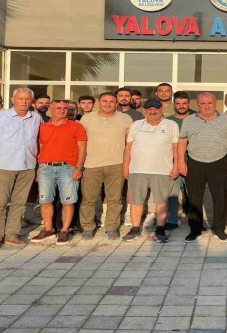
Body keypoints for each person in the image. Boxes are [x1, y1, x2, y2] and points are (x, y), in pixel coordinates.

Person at [0, 88, 43, 249]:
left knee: (19, 203)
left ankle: (12, 234)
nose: (24, 102)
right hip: (3, 166)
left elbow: (39, 142)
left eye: (27, 99)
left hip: (28, 166)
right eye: (20, 98)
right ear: (13, 100)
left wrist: (38, 166)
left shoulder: (36, 118)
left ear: (32, 101)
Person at [178, 92, 227, 242]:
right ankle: (195, 229)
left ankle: (219, 229)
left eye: (209, 103)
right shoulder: (189, 120)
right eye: (202, 103)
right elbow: (182, 142)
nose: (206, 106)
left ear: (215, 103)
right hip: (194, 161)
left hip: (219, 161)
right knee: (194, 198)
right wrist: (181, 162)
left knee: (220, 198)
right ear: (197, 105)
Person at [29, 100, 87, 245]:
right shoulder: (42, 127)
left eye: (64, 108)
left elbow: (82, 148)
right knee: (45, 200)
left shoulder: (76, 126)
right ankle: (48, 230)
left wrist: (79, 167)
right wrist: (38, 168)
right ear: (50, 109)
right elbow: (39, 147)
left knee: (68, 200)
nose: (62, 110)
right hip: (45, 168)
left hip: (67, 168)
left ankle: (64, 230)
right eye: (58, 108)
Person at [122, 99, 179, 243]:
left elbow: (176, 148)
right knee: (136, 200)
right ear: (144, 110)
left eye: (156, 109)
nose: (153, 111)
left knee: (161, 201)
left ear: (161, 110)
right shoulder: (136, 125)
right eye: (149, 109)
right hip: (137, 169)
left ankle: (160, 230)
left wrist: (176, 166)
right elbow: (128, 147)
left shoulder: (171, 125)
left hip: (163, 170)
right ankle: (135, 229)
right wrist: (125, 166)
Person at [80, 92, 133, 240]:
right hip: (91, 164)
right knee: (88, 199)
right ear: (99, 102)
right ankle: (88, 227)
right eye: (105, 101)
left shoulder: (125, 119)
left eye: (111, 101)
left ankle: (111, 227)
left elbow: (129, 143)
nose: (108, 104)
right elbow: (81, 143)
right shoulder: (87, 119)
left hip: (116, 164)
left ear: (116, 103)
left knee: (114, 199)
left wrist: (127, 163)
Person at [164, 91, 194, 230]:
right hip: (172, 161)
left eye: (184, 103)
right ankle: (172, 220)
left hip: (193, 160)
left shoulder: (196, 119)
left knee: (194, 193)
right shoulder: (167, 122)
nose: (181, 106)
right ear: (174, 104)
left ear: (189, 104)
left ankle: (195, 221)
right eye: (178, 103)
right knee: (172, 193)